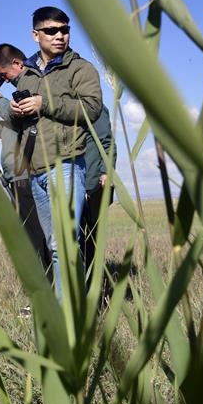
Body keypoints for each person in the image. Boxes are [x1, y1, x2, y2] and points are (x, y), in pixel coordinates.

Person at [7, 6, 103, 298]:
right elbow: (25, 122)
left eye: (64, 30)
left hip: (66, 164)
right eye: (51, 31)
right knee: (54, 245)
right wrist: (14, 111)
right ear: (35, 35)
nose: (59, 36)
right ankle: (72, 308)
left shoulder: (80, 68)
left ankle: (67, 317)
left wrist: (44, 103)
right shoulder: (26, 74)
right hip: (35, 170)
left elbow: (91, 109)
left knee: (63, 244)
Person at [0, 43, 53, 283]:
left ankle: (47, 293)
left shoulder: (30, 83)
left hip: (28, 174)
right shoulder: (19, 91)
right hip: (18, 176)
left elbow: (18, 116)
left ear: (17, 64)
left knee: (38, 239)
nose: (4, 81)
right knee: (32, 238)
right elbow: (14, 129)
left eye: (3, 75)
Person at [79, 104, 115, 282]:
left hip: (93, 183)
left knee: (91, 240)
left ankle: (94, 286)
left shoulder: (94, 107)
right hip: (76, 182)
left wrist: (106, 171)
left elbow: (107, 142)